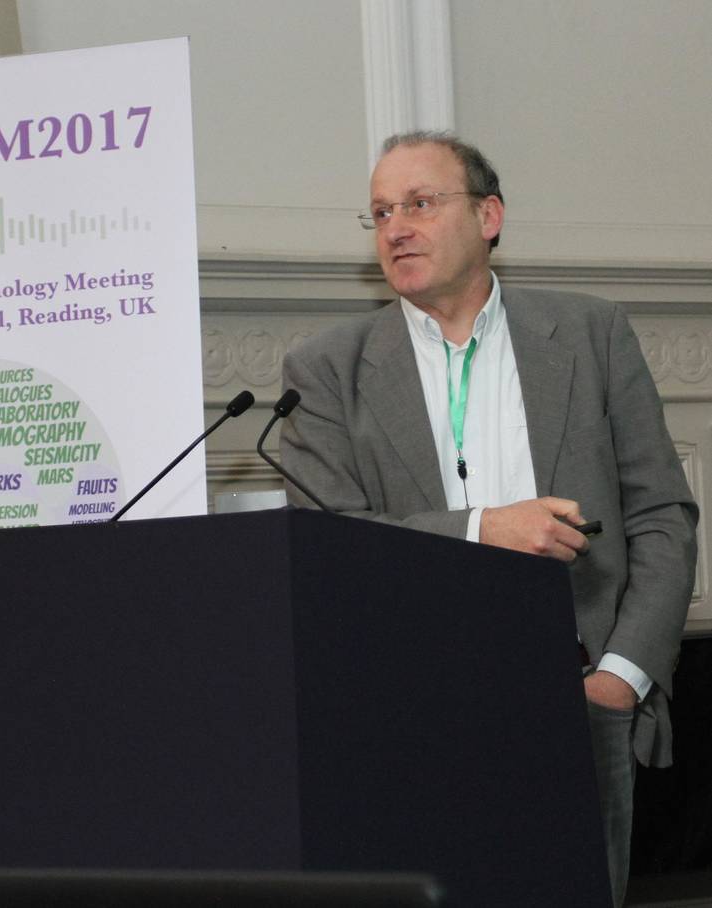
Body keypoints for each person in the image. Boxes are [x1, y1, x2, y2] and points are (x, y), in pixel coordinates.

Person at [279, 130, 698, 907]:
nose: (395, 228)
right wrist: (481, 529)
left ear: (488, 216)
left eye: (419, 203)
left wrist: (621, 677)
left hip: (580, 698)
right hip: (407, 708)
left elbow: (661, 514)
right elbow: (331, 539)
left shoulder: (591, 334)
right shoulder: (327, 369)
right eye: (379, 212)